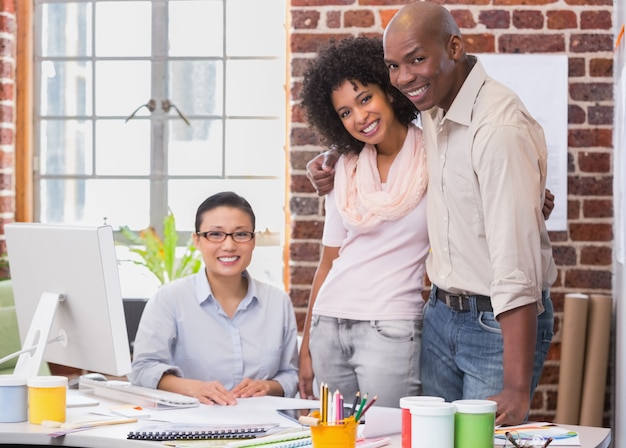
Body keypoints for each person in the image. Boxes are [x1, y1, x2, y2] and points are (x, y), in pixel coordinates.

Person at [306, 3, 557, 425]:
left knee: (476, 439)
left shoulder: (496, 126)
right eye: (393, 66)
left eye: (417, 59)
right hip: (441, 314)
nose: (404, 77)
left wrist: (515, 386)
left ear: (454, 47)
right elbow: (375, 132)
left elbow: (517, 262)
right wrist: (330, 156)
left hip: (491, 321)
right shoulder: (434, 105)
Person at [297, 36, 429, 408]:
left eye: (365, 98)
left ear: (388, 91)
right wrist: (305, 343)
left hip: (392, 327)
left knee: (387, 437)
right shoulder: (345, 167)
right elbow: (329, 260)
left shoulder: (435, 158)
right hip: (328, 325)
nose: (359, 117)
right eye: (344, 112)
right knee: (337, 438)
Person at [129, 191, 299, 405]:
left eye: (241, 234)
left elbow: (291, 374)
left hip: (266, 427)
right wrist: (192, 388)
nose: (229, 245)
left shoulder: (278, 302)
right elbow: (143, 369)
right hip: (191, 426)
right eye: (215, 234)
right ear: (197, 240)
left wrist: (268, 387)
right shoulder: (170, 299)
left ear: (253, 240)